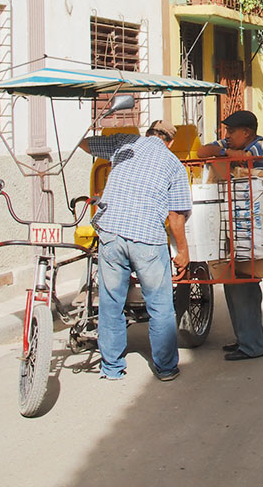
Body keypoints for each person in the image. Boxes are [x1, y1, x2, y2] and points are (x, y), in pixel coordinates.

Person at [80, 120, 191, 381]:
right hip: (147, 238)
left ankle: (111, 368)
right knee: (161, 305)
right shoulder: (173, 164)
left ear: (148, 133)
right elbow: (176, 217)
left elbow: (85, 144)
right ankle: (165, 368)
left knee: (111, 302)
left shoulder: (124, 143)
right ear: (170, 142)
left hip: (111, 232)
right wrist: (182, 252)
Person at [197, 110, 263, 361]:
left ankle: (252, 345)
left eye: (231, 131)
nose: (226, 136)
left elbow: (246, 159)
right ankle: (244, 339)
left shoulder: (260, 147)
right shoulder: (228, 145)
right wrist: (224, 151)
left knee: (245, 287)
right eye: (226, 132)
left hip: (252, 226)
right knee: (232, 285)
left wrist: (228, 154)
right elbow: (202, 152)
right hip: (233, 222)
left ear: (248, 132)